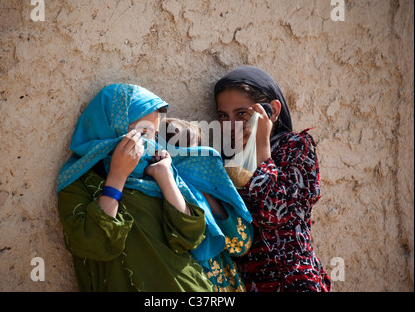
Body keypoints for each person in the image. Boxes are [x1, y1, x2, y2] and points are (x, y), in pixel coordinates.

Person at [56, 83, 213, 291]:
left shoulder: (152, 171)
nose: (150, 143)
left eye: (153, 135)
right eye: (142, 133)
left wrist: (164, 175)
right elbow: (95, 243)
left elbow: (189, 237)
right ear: (111, 126)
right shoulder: (78, 182)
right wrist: (117, 176)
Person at [213, 65, 331, 292]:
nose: (231, 126)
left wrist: (261, 144)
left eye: (241, 114)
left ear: (272, 111)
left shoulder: (296, 147)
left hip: (293, 283)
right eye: (222, 116)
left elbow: (273, 212)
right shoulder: (229, 164)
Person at [163, 118, 253, 292]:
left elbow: (240, 243)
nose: (199, 165)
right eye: (185, 156)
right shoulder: (157, 189)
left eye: (199, 156)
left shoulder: (214, 196)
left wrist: (207, 196)